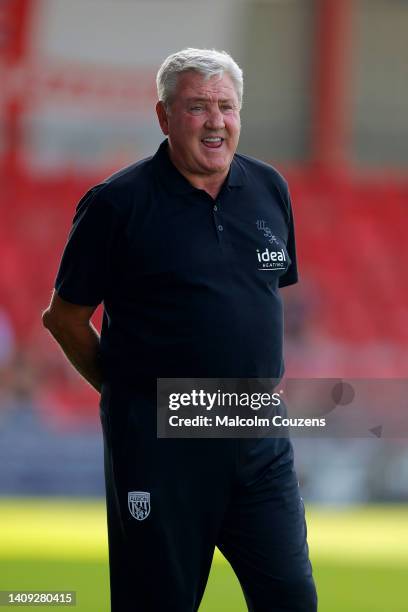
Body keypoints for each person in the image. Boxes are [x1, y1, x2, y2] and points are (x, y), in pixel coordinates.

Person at [43, 48, 317, 612]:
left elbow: (261, 302)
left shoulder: (270, 189)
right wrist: (131, 397)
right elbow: (64, 317)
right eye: (198, 107)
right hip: (160, 449)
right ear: (164, 117)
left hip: (257, 441)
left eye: (226, 106)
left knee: (291, 598)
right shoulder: (117, 203)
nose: (216, 121)